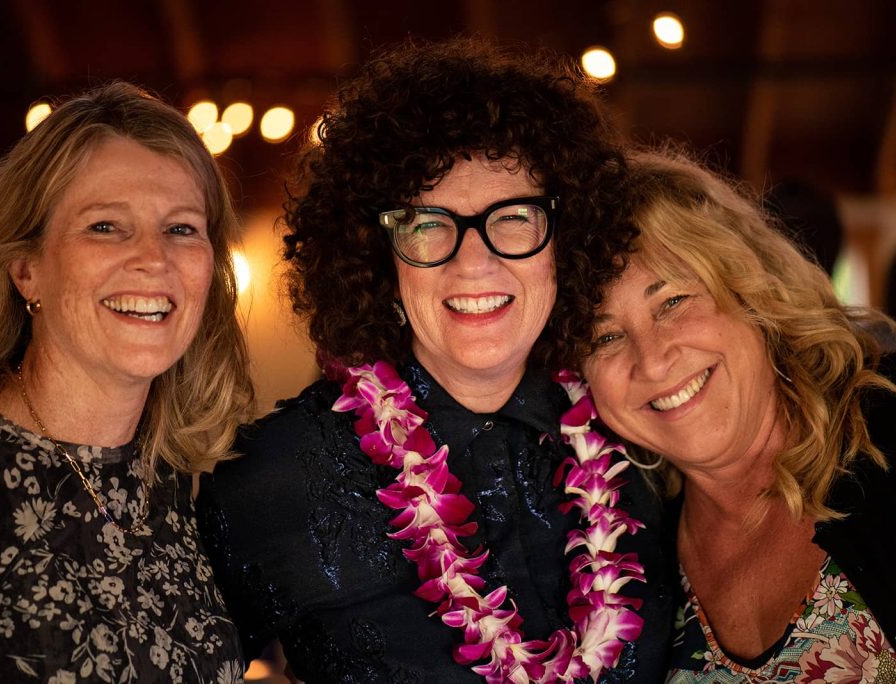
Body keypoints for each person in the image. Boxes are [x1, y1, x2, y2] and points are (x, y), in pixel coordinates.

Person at [197, 40, 672, 683]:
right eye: (427, 223)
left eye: (513, 217)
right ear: (377, 257)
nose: (473, 263)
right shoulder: (270, 478)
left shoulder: (639, 437)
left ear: (567, 242)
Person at [570, 149, 896, 682]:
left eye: (674, 301)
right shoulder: (618, 550)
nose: (652, 359)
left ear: (753, 295)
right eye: (605, 336)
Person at [0, 82, 255, 682]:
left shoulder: (178, 487)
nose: (153, 259)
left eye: (182, 228)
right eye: (106, 226)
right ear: (27, 270)